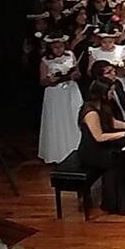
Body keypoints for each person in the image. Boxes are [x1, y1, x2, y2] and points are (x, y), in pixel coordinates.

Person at [77, 79, 125, 215]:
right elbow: (99, 137)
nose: (113, 94)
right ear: (102, 93)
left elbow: (112, 122)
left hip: (103, 146)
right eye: (111, 91)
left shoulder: (103, 106)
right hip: (93, 151)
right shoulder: (90, 112)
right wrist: (124, 134)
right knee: (122, 163)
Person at [37, 32, 83, 163]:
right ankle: (58, 152)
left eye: (61, 46)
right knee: (58, 120)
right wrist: (52, 79)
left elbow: (78, 73)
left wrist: (73, 75)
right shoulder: (45, 60)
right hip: (55, 94)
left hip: (71, 90)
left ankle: (76, 147)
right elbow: (42, 81)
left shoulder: (70, 55)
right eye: (55, 47)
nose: (59, 49)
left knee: (74, 117)